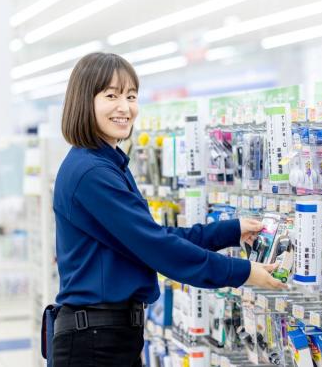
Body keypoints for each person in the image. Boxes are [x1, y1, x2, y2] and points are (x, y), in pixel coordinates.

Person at [52, 52, 285, 366]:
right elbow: (156, 246)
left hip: (105, 335)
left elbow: (152, 235)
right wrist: (241, 272)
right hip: (95, 342)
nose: (125, 107)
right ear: (84, 101)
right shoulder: (92, 172)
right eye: (111, 95)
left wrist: (229, 231)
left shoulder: (104, 162)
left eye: (131, 96)